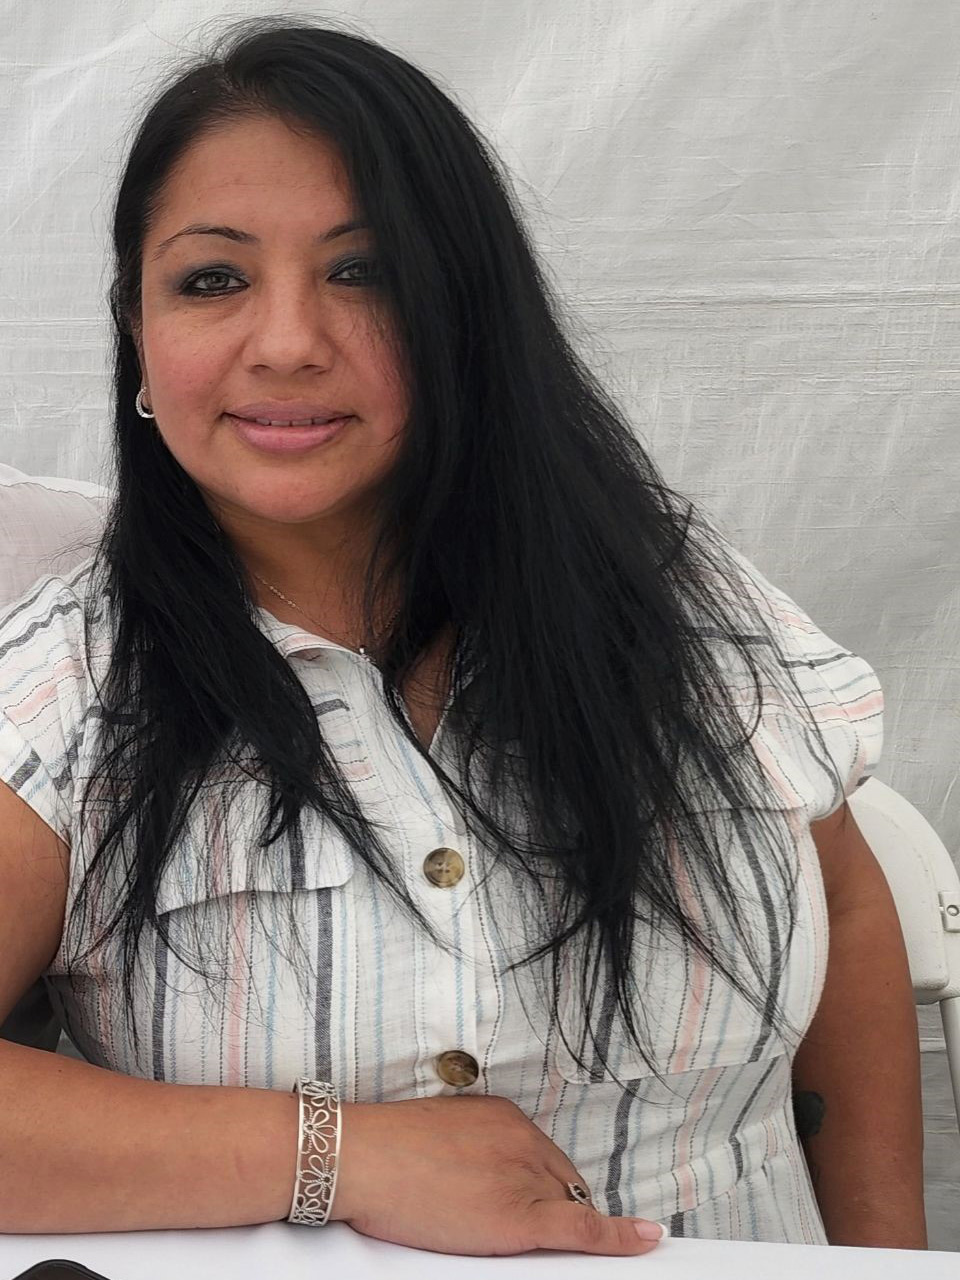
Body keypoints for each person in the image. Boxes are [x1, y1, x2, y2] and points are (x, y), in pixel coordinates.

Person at [0, 14, 925, 1256]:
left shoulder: (680, 599)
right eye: (212, 278)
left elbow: (847, 905)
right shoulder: (68, 693)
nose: (285, 341)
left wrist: (888, 1259)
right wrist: (335, 1153)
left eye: (364, 270)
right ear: (137, 337)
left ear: (465, 315)